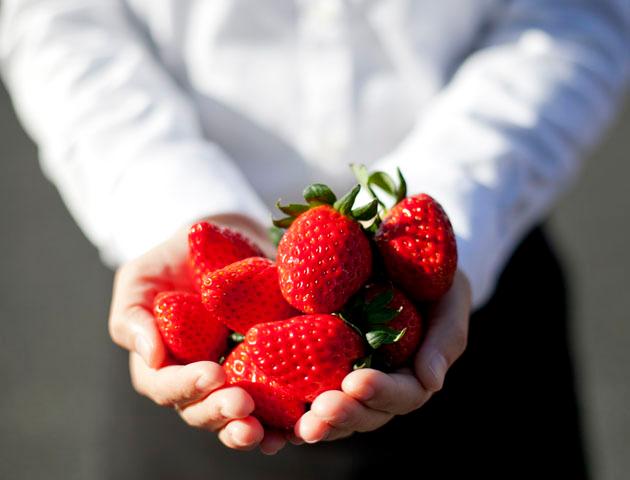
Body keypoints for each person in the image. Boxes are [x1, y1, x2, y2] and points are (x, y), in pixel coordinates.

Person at [1, 0, 628, 478]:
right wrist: (174, 205)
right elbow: (56, 18)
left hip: (469, 288)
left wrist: (431, 217)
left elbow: (577, 14)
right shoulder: (200, 301)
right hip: (201, 328)